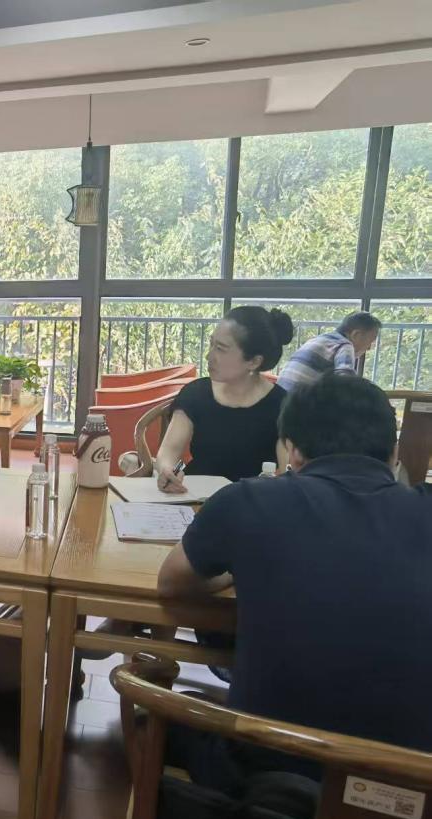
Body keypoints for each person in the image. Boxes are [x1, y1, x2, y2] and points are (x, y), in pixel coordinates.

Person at [157, 374, 432, 793]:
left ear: (293, 450)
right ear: (393, 452)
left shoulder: (249, 500)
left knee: (150, 721)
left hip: (272, 777)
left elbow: (172, 582)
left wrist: (240, 568)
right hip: (411, 791)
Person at [155, 306, 295, 490]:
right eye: (211, 344)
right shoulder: (196, 393)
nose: (209, 356)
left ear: (254, 361)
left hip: (251, 500)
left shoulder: (282, 405)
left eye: (221, 349)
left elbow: (287, 473)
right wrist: (167, 471)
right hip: (193, 497)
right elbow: (169, 452)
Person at [276, 311, 381, 394]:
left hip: (281, 397)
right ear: (356, 334)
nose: (369, 348)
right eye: (371, 341)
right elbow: (346, 383)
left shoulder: (320, 339)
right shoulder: (344, 345)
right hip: (297, 405)